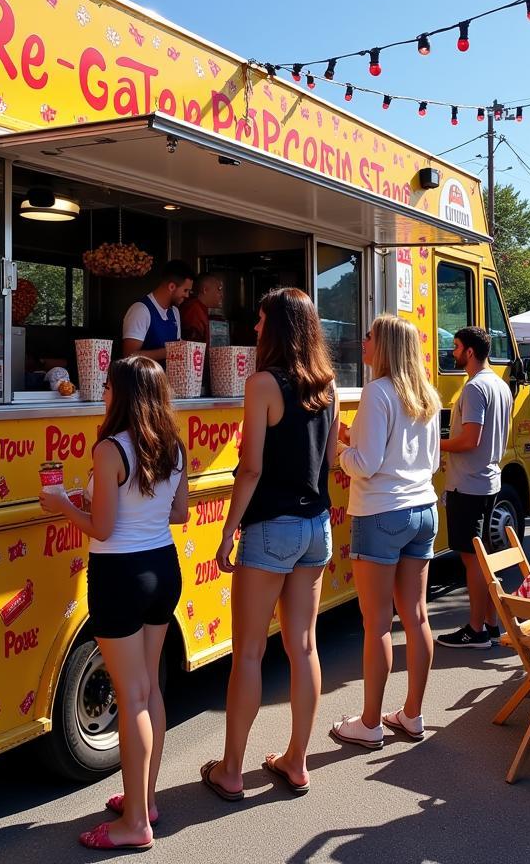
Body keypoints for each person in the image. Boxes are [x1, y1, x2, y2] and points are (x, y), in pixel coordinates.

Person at [40, 356, 188, 850]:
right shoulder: (172, 445)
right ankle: (144, 799)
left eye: (106, 386)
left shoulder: (110, 449)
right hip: (163, 568)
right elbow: (180, 512)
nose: (101, 392)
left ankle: (137, 825)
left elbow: (102, 529)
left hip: (120, 575)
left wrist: (63, 506)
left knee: (132, 697)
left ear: (122, 394)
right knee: (150, 690)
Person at [202, 288, 338, 800]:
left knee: (250, 654)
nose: (255, 330)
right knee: (304, 646)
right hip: (315, 525)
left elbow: (251, 468)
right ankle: (296, 761)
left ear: (277, 327)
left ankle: (232, 770)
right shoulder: (328, 385)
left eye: (260, 321)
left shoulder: (261, 384)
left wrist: (227, 529)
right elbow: (326, 463)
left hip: (270, 527)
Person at [329, 315, 440, 747]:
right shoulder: (425, 394)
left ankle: (370, 722)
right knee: (416, 617)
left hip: (380, 513)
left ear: (386, 345)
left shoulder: (377, 392)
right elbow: (430, 463)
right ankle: (412, 715)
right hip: (423, 508)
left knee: (376, 623)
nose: (363, 340)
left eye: (370, 335)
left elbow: (366, 463)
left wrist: (340, 449)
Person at [435, 327, 513, 649]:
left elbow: (470, 439)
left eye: (455, 347)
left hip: (469, 483)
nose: (452, 352)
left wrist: (435, 443)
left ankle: (476, 629)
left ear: (469, 352)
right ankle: (491, 624)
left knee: (472, 559)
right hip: (488, 478)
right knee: (482, 557)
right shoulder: (500, 385)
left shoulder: (474, 388)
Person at [121, 259, 196, 362]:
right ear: (172, 287)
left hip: (168, 378)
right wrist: (168, 352)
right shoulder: (141, 310)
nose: (187, 296)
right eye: (185, 290)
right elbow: (129, 356)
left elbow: (177, 346)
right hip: (144, 377)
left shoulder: (175, 312)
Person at [180, 272, 224, 346]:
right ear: (205, 290)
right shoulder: (194, 309)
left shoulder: (200, 308)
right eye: (219, 289)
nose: (222, 295)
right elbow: (193, 345)